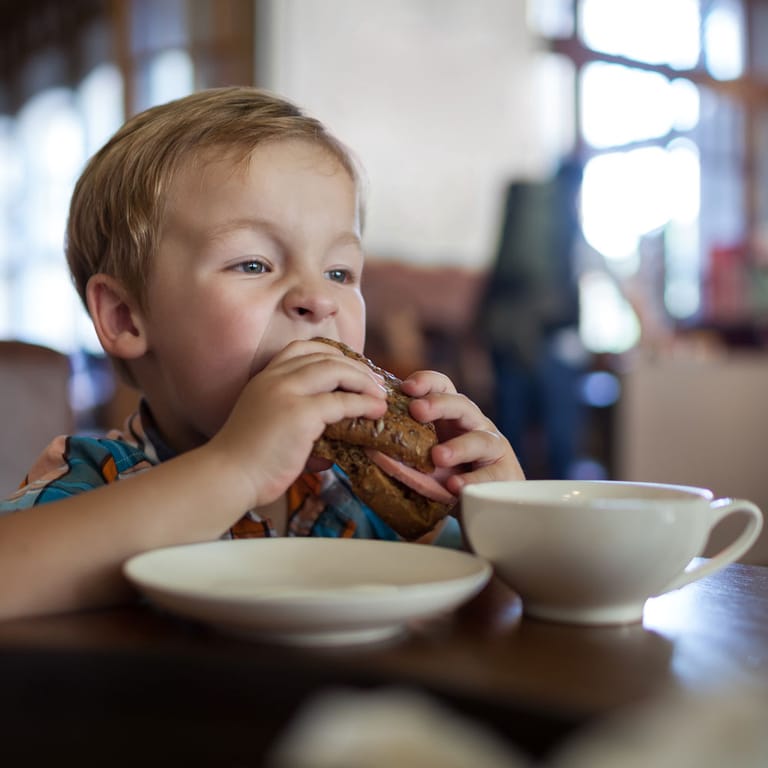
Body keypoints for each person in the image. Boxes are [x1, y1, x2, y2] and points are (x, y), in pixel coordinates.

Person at [0, 87, 523, 620]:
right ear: (125, 317)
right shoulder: (96, 480)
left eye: (339, 272)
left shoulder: (365, 503)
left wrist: (504, 519)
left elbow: (494, 619)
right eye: (253, 264)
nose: (318, 299)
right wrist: (236, 467)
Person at [477, 158, 589, 479]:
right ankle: (562, 507)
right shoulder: (561, 215)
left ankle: (511, 501)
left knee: (510, 428)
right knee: (560, 433)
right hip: (550, 337)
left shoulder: (526, 208)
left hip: (506, 333)